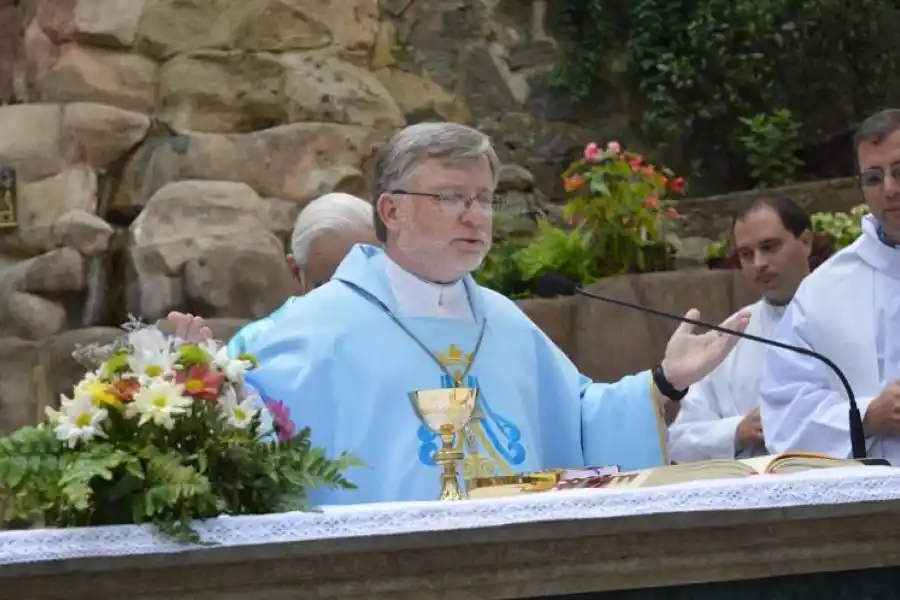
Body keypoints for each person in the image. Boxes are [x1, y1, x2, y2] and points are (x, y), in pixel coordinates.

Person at [173, 122, 749, 505]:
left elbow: (578, 422)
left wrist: (665, 381)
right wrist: (201, 384)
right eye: (450, 197)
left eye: (483, 199)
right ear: (391, 211)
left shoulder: (504, 320)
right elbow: (246, 449)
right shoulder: (305, 332)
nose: (475, 216)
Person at [760, 108, 900, 463]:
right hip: (870, 507)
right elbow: (785, 408)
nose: (889, 189)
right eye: (872, 178)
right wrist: (866, 417)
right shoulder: (822, 291)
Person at [668, 193, 812, 463]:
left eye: (770, 247)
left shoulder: (854, 309)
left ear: (805, 242)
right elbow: (679, 440)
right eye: (747, 254)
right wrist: (736, 431)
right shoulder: (730, 336)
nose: (759, 263)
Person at [224, 193, 377, 356]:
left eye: (361, 285)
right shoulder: (252, 346)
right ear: (296, 272)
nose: (345, 302)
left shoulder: (401, 338)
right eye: (326, 288)